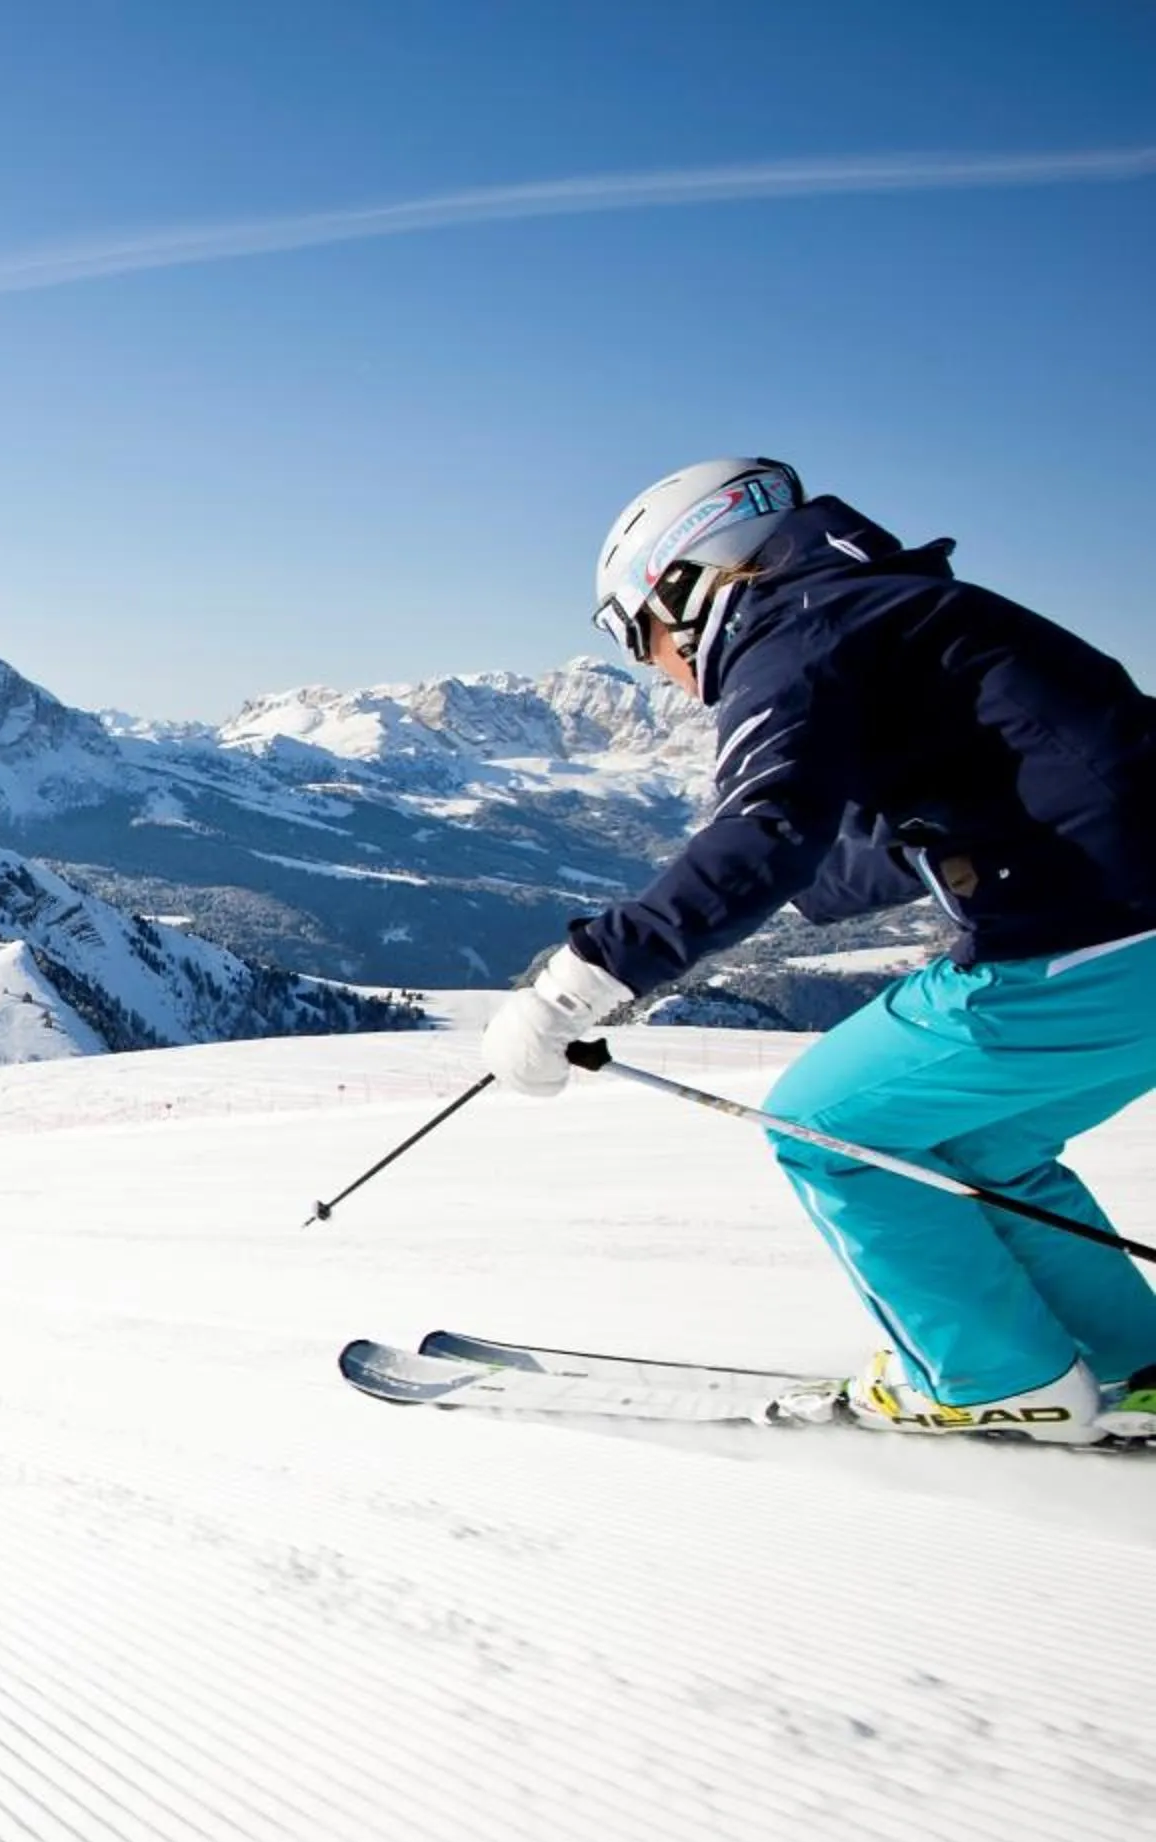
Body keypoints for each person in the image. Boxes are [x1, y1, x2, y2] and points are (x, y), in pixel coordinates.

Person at [484, 456, 1156, 1445]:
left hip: (1093, 943)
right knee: (978, 1144)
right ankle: (1127, 1358)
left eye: (641, 636)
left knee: (825, 1126)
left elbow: (767, 826)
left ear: (685, 584)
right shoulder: (888, 609)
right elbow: (954, 812)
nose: (656, 666)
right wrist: (766, 902)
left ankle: (990, 1377)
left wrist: (578, 984)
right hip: (1123, 939)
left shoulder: (794, 629)